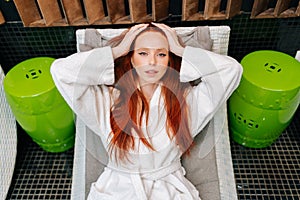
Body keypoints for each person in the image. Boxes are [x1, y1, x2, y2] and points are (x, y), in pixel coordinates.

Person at [50, 22, 243, 200]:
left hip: (169, 189)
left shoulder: (185, 102)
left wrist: (180, 49)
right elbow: (61, 72)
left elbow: (231, 70)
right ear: (131, 59)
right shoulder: (105, 100)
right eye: (142, 53)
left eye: (161, 54)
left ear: (169, 60)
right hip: (115, 190)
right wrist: (117, 50)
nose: (152, 61)